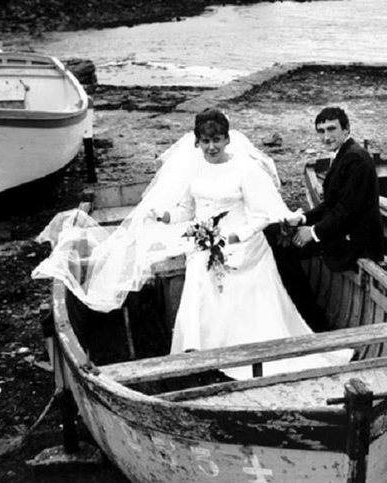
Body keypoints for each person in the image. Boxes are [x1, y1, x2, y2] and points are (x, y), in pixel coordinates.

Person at [33, 108, 350, 380]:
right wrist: (166, 215)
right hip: (205, 240)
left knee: (235, 286)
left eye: (217, 140)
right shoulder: (194, 168)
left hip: (244, 245)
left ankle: (255, 352)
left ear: (227, 139)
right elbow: (187, 209)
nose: (211, 147)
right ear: (197, 143)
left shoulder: (245, 169)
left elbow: (261, 215)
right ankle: (206, 349)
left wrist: (235, 237)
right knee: (198, 265)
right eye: (205, 141)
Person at [292, 106, 384, 270]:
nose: (326, 137)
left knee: (281, 248)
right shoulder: (344, 153)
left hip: (356, 245)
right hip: (345, 233)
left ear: (346, 129)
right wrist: (303, 219)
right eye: (321, 131)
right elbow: (331, 203)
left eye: (331, 129)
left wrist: (313, 232)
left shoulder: (355, 158)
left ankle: (300, 295)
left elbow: (347, 210)